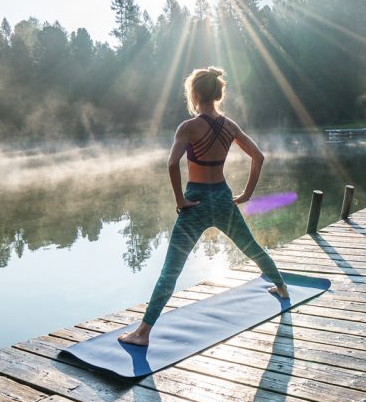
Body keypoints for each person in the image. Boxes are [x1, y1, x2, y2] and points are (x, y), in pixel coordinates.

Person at [119, 66, 288, 346]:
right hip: (222, 197)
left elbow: (172, 163)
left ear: (195, 94)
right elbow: (258, 157)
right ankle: (282, 288)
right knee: (251, 247)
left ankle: (143, 333)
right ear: (218, 93)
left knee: (170, 270)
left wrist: (180, 201)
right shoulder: (230, 126)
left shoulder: (188, 127)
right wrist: (246, 193)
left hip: (195, 202)